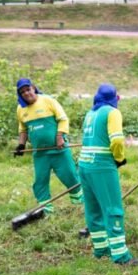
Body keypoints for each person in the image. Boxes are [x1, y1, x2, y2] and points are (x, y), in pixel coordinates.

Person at [78, 84, 138, 265]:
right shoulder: (112, 112)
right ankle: (120, 256)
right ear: (114, 99)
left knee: (93, 210)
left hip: (84, 164)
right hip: (102, 165)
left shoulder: (90, 114)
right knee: (113, 209)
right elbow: (117, 140)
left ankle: (101, 250)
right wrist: (119, 158)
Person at [13, 78, 83, 212]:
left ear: (33, 88)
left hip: (59, 150)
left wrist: (59, 137)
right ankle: (46, 210)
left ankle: (79, 203)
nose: (26, 93)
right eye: (22, 92)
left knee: (70, 177)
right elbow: (23, 129)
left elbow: (63, 119)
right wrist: (21, 145)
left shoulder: (48, 101)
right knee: (40, 182)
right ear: (20, 95)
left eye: (28, 89)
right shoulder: (21, 109)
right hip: (40, 154)